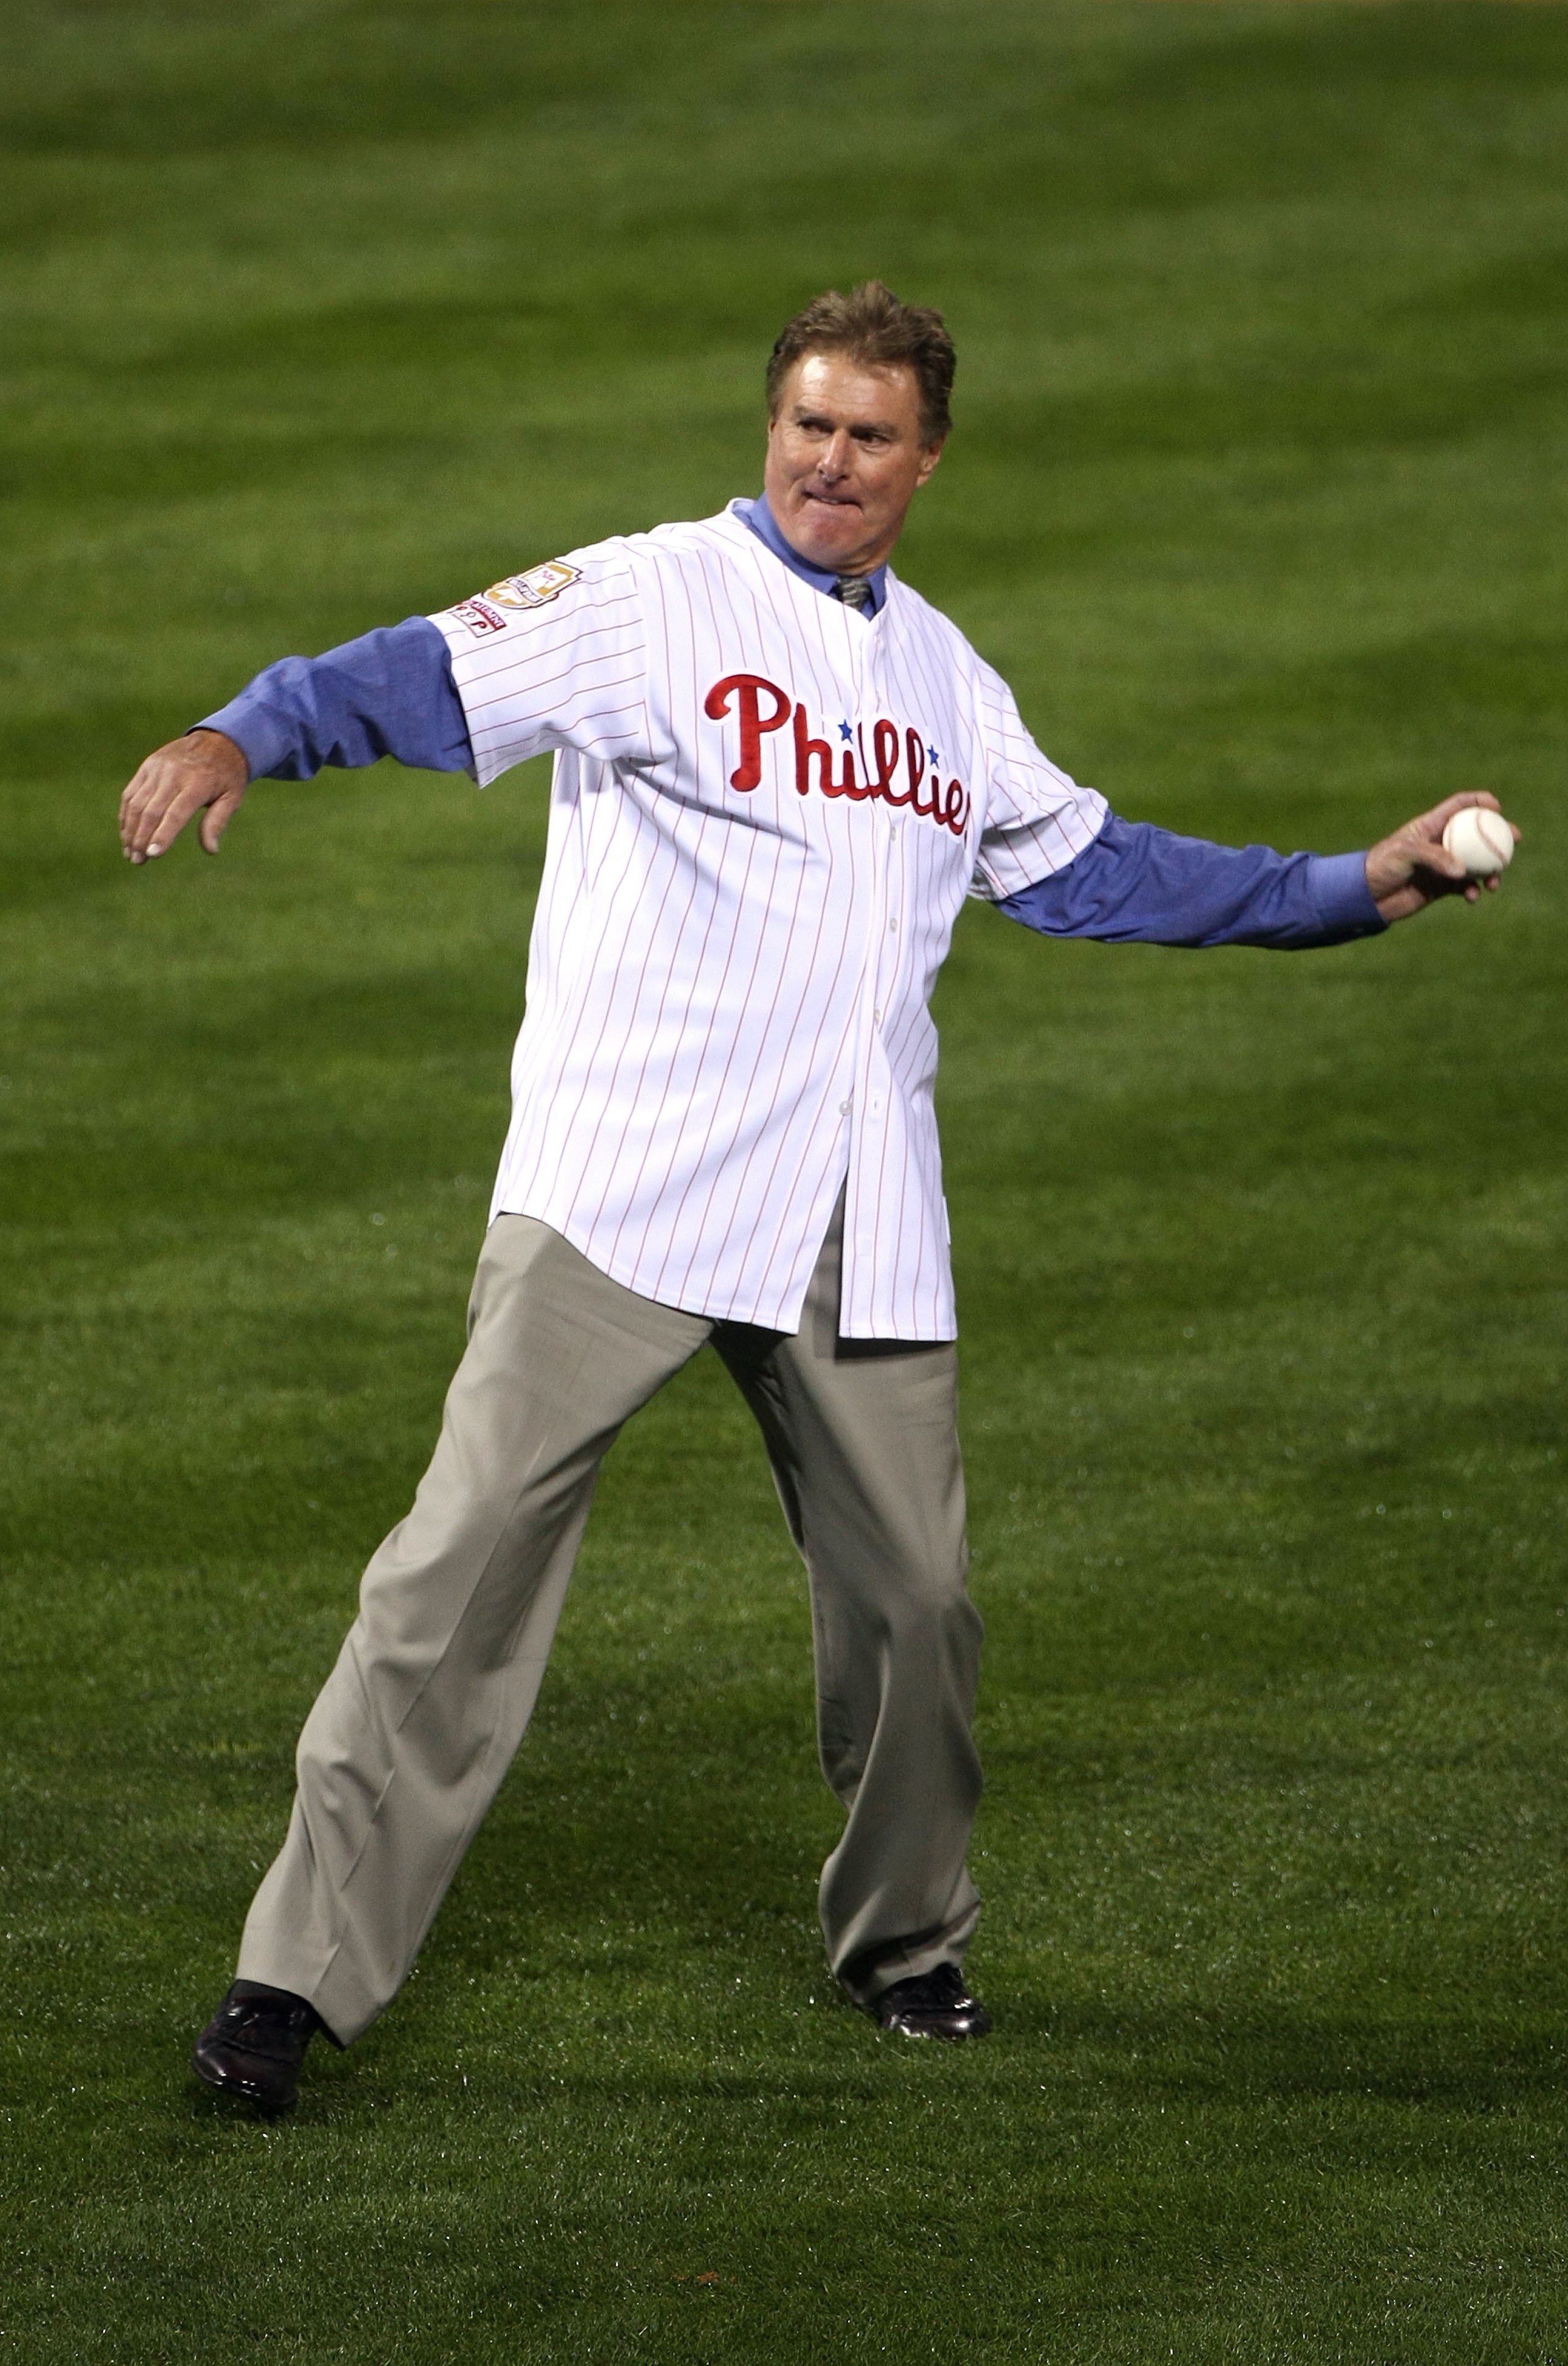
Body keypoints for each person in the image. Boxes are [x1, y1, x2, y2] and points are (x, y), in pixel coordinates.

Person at [119, 282, 1513, 2113]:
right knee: (450, 1582)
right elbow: (418, 672)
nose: (831, 461)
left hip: (858, 1207)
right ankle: (286, 1986)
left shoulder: (946, 680)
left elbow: (1094, 870)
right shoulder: (648, 598)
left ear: (928, 462)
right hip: (624, 1187)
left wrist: (1355, 886)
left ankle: (906, 1943)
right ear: (771, 427)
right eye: (809, 424)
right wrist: (243, 733)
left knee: (920, 1609)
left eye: (870, 435)